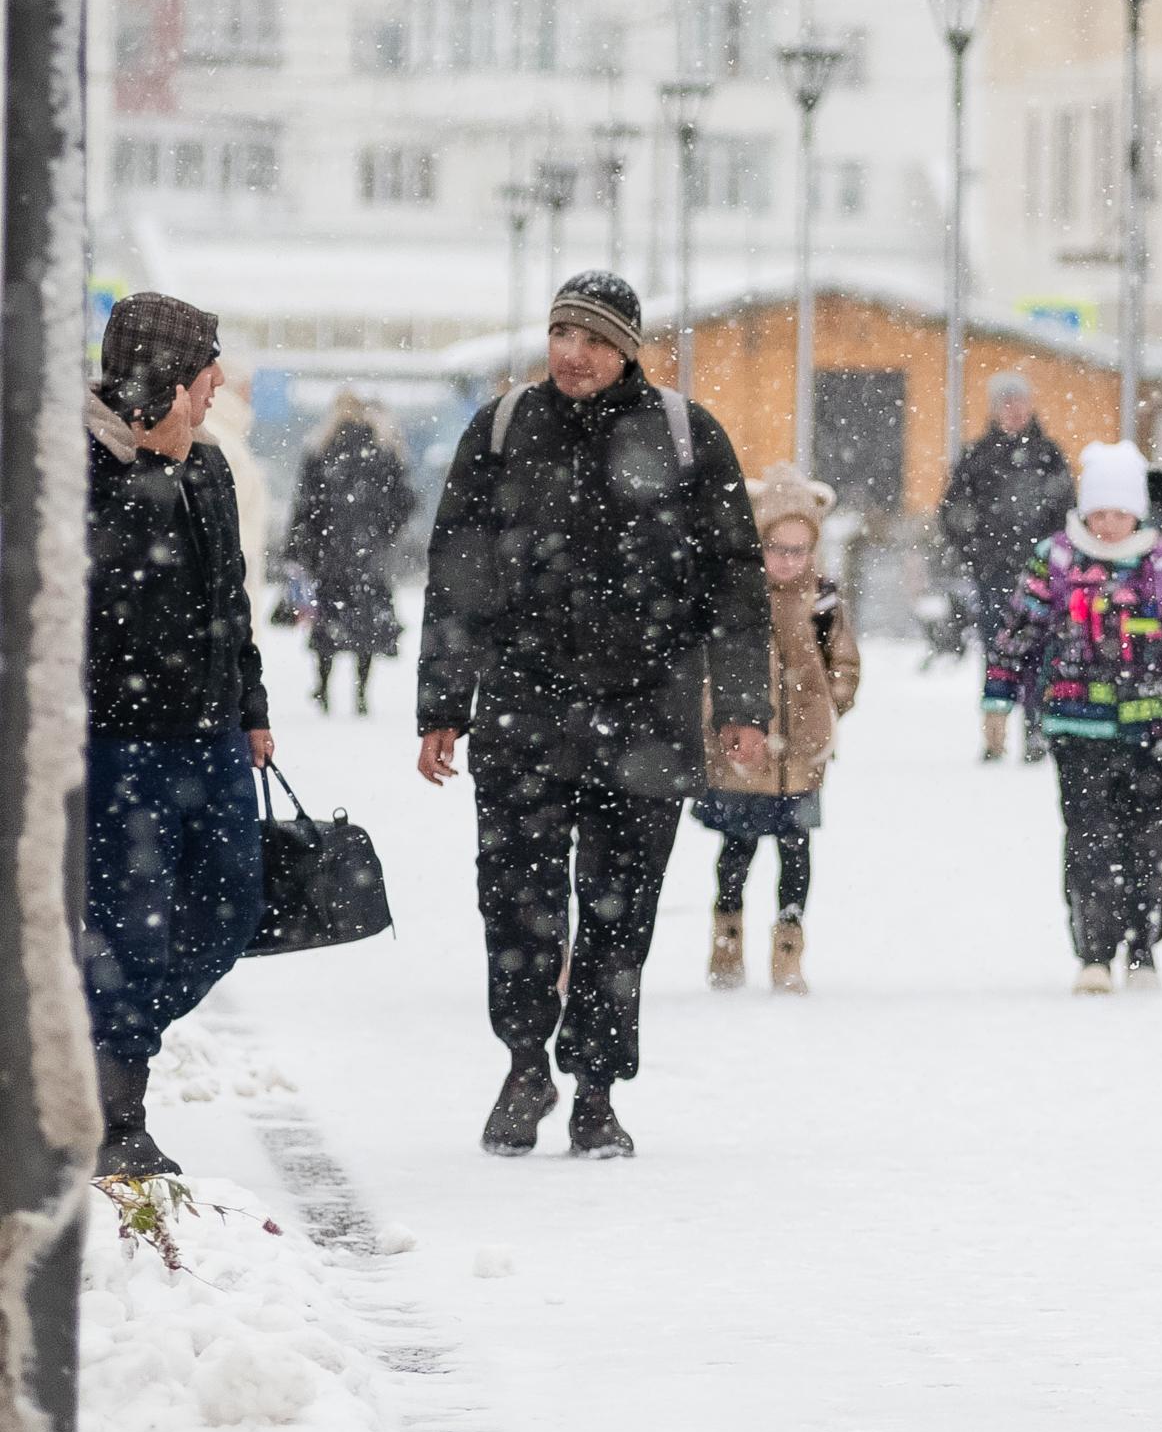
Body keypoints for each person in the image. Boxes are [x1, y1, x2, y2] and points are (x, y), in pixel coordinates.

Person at [418, 272, 771, 1160]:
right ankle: (525, 1062)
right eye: (561, 334)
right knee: (517, 901)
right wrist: (442, 705)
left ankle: (598, 1090)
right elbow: (456, 569)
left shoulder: (689, 437)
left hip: (645, 717)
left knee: (621, 912)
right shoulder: (501, 429)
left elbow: (735, 581)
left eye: (595, 339)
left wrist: (740, 704)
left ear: (629, 349)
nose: (573, 354)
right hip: (523, 710)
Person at [83, 294, 272, 1179]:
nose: (219, 382)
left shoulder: (209, 469)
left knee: (231, 907)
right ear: (164, 381)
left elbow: (230, 601)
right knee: (129, 928)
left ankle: (105, 1050)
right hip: (114, 742)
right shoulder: (74, 470)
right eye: (207, 367)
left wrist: (253, 707)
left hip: (211, 736)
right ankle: (116, 1112)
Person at [985, 440, 1162, 993]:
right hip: (1077, 725)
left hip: (1152, 728)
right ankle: (1094, 952)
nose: (1110, 523)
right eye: (1100, 512)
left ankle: (1142, 945)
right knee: (1089, 838)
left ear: (1139, 511)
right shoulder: (1058, 558)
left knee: (1147, 840)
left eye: (1120, 512)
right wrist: (998, 695)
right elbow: (1021, 628)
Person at [698, 467, 860, 995]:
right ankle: (727, 935)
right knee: (737, 850)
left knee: (795, 851)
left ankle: (788, 946)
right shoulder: (735, 595)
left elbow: (845, 661)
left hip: (803, 758)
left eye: (799, 549)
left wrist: (831, 703)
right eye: (776, 548)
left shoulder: (823, 600)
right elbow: (709, 666)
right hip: (745, 755)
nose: (788, 561)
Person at [942, 372, 1075, 762]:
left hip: (1041, 575)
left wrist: (1055, 559)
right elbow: (953, 512)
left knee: (1040, 649)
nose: (1013, 410)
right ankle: (994, 733)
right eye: (1006, 402)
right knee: (996, 650)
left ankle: (1035, 729)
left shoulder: (1049, 456)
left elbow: (1067, 512)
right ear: (995, 407)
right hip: (993, 574)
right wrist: (977, 553)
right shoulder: (978, 456)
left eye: (1019, 401)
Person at [283, 391, 418, 716]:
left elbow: (305, 505)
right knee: (367, 626)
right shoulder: (383, 450)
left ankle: (324, 688)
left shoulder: (321, 449)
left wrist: (301, 546)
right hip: (368, 556)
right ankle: (361, 691)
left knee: (327, 627)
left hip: (328, 556)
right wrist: (382, 532)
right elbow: (406, 501)